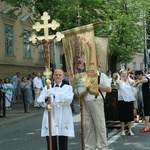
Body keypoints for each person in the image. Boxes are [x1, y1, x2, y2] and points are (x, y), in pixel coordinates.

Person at [37, 69, 74, 150]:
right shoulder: (47, 87)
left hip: (63, 113)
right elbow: (40, 100)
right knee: (51, 139)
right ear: (53, 76)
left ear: (63, 77)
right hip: (51, 114)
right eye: (56, 74)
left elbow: (68, 100)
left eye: (60, 75)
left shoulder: (68, 87)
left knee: (63, 139)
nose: (58, 76)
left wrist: (54, 94)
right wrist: (46, 99)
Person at [83, 70, 111, 150]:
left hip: (97, 101)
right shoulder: (84, 76)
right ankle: (89, 147)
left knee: (100, 125)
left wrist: (97, 86)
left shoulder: (102, 75)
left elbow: (109, 89)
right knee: (88, 126)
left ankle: (102, 146)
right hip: (85, 102)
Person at [113, 69, 135, 136]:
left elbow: (133, 82)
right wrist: (119, 76)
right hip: (122, 100)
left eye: (125, 73)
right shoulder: (119, 81)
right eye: (123, 73)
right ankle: (122, 130)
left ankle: (130, 130)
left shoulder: (128, 81)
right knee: (122, 115)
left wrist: (128, 77)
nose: (124, 74)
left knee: (130, 115)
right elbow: (116, 82)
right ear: (120, 74)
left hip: (129, 100)